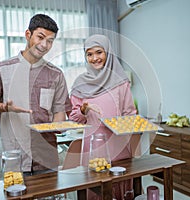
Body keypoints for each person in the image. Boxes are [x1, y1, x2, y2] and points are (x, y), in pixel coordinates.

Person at [0, 14, 72, 175]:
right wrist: (4, 107)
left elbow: (59, 111)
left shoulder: (56, 74)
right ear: (28, 34)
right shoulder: (3, 69)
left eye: (50, 41)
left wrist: (59, 125)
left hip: (46, 156)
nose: (44, 45)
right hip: (15, 156)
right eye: (40, 37)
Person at [69, 34, 140, 200]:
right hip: (93, 144)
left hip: (118, 143)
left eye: (99, 52)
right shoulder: (80, 83)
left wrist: (128, 126)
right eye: (89, 54)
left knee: (118, 184)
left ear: (108, 53)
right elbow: (73, 116)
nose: (95, 58)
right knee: (95, 185)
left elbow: (130, 113)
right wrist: (83, 111)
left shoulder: (121, 82)